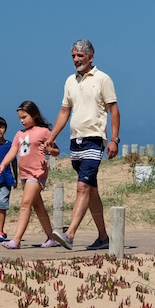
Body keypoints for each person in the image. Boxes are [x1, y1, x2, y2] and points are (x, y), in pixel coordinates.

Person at [44, 39, 120, 251]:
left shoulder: (103, 79)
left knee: (82, 186)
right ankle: (103, 237)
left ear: (90, 56)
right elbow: (64, 111)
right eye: (73, 56)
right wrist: (52, 136)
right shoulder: (70, 81)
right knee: (91, 191)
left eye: (80, 56)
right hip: (75, 140)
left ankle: (70, 234)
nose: (76, 60)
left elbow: (113, 109)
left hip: (94, 139)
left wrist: (114, 139)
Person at [0, 101, 61, 250]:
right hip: (25, 174)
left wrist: (49, 151)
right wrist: (3, 164)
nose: (22, 121)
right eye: (20, 118)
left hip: (37, 173)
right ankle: (51, 238)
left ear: (34, 115)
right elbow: (13, 151)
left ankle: (16, 240)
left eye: (25, 117)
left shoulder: (43, 131)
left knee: (25, 204)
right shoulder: (20, 134)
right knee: (38, 206)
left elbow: (56, 150)